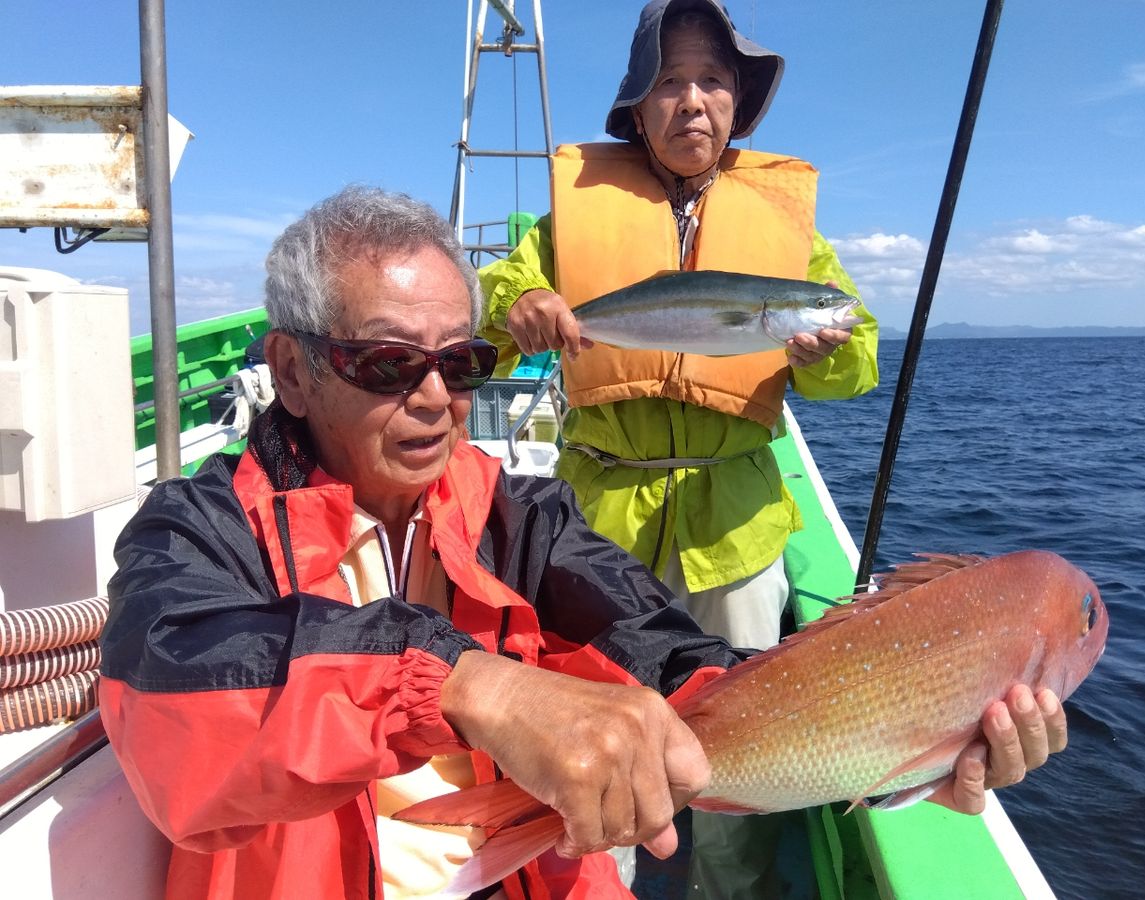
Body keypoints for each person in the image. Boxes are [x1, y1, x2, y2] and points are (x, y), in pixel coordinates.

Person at [99, 186, 1068, 900]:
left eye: (464, 361)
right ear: (292, 370)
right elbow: (178, 712)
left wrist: (912, 742)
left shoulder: (525, 516)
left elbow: (663, 650)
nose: (437, 398)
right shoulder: (198, 527)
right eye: (391, 362)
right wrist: (470, 685)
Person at [477, 1, 876, 893]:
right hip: (600, 523)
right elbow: (502, 303)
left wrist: (832, 351)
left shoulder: (790, 234)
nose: (691, 101)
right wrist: (520, 307)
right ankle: (600, 883)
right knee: (597, 730)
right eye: (669, 81)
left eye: (712, 81)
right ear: (636, 105)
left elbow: (856, 363)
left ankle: (726, 887)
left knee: (735, 734)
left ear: (738, 103)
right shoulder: (567, 219)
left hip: (733, 520)